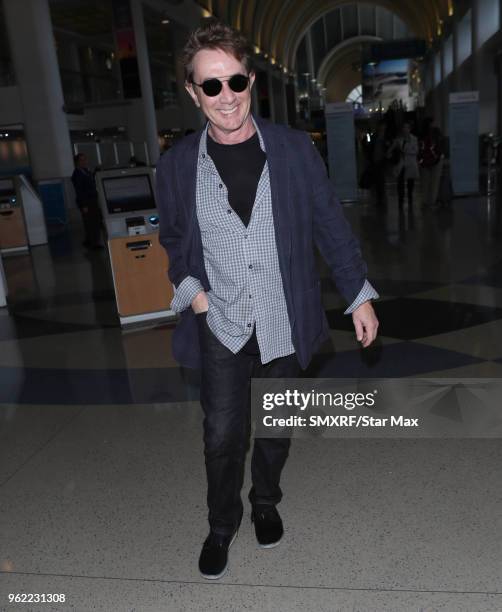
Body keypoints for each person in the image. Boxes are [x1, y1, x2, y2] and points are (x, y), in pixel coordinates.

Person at [156, 20, 379, 581]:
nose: (226, 97)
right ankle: (222, 524)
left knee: (276, 424)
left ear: (250, 80)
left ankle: (265, 501)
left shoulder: (292, 150)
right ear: (192, 91)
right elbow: (176, 241)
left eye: (235, 82)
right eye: (211, 86)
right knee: (221, 433)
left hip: (285, 316)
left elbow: (330, 224)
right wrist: (197, 297)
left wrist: (358, 296)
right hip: (222, 321)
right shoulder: (179, 164)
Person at [71, 153, 103, 249]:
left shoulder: (85, 171)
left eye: (85, 159)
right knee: (92, 222)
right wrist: (84, 204)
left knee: (90, 221)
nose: (84, 162)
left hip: (91, 200)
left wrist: (96, 172)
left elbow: (90, 179)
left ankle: (89, 240)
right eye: (81, 160)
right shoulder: (77, 174)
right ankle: (94, 243)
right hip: (87, 201)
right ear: (77, 162)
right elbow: (80, 190)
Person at [388, 122, 419, 208]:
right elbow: (390, 150)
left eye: (407, 128)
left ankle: (410, 198)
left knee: (410, 183)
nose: (405, 130)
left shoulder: (414, 139)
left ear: (410, 129)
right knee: (400, 183)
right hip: (401, 164)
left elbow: (416, 151)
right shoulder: (398, 140)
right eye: (404, 128)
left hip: (410, 163)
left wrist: (405, 151)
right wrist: (390, 154)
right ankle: (400, 201)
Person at [418, 119, 445, 208]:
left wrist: (420, 160)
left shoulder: (421, 134)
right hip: (435, 160)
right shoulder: (435, 132)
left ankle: (425, 202)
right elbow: (439, 146)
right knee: (434, 183)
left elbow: (420, 148)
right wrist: (440, 156)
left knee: (425, 183)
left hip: (424, 162)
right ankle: (431, 202)